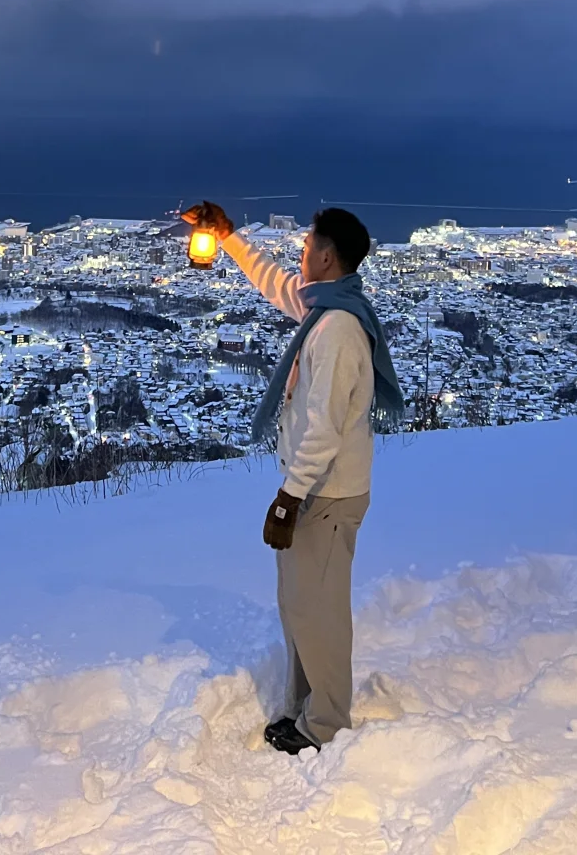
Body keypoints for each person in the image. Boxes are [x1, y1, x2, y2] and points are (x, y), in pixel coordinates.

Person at [181, 202, 403, 756]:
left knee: (320, 611)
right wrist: (229, 238)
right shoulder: (327, 309)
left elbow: (324, 429)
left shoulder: (337, 330)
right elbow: (276, 285)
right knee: (300, 603)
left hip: (327, 493)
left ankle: (325, 725)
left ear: (326, 257)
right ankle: (305, 708)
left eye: (306, 246)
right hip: (316, 490)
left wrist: (288, 496)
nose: (300, 254)